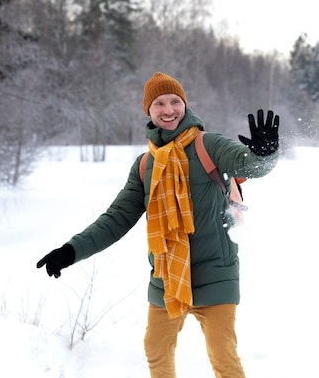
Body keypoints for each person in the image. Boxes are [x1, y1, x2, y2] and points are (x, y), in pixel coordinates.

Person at [36, 71, 280, 378]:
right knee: (156, 349)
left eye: (175, 101)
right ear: (148, 111)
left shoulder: (209, 145)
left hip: (215, 274)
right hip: (167, 276)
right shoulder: (144, 165)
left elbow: (250, 164)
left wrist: (266, 152)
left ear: (185, 105)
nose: (169, 110)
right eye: (160, 103)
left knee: (223, 356)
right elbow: (117, 219)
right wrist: (71, 251)